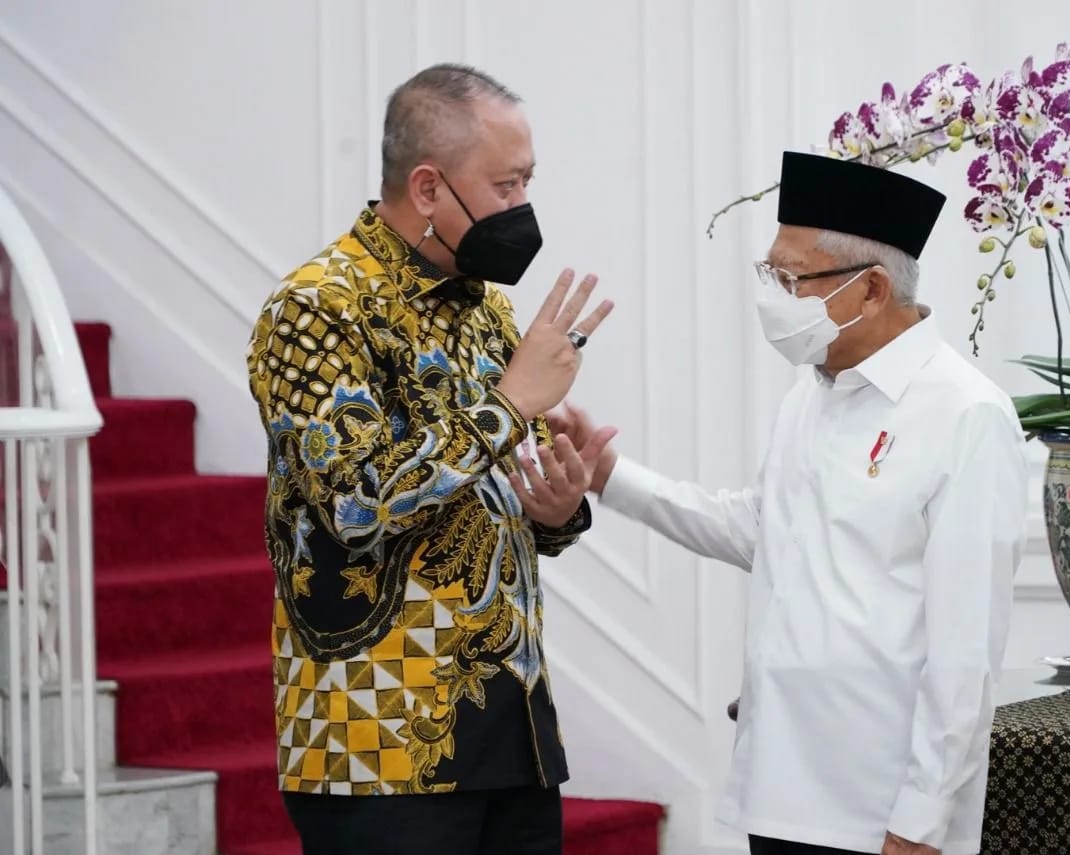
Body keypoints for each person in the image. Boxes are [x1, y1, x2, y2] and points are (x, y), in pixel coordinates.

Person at [551, 152, 1029, 855]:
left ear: (871, 290)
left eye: (791, 278)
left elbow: (965, 651)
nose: (774, 296)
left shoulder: (966, 413)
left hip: (881, 808)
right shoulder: (813, 393)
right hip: (780, 788)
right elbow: (760, 529)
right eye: (769, 274)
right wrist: (609, 475)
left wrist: (922, 820)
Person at [245, 63, 615, 855]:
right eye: (506, 185)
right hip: (378, 740)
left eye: (527, 181)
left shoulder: (487, 310)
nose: (522, 206)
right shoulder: (316, 308)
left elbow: (487, 507)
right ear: (427, 188)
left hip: (510, 726)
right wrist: (508, 404)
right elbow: (354, 503)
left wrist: (557, 506)